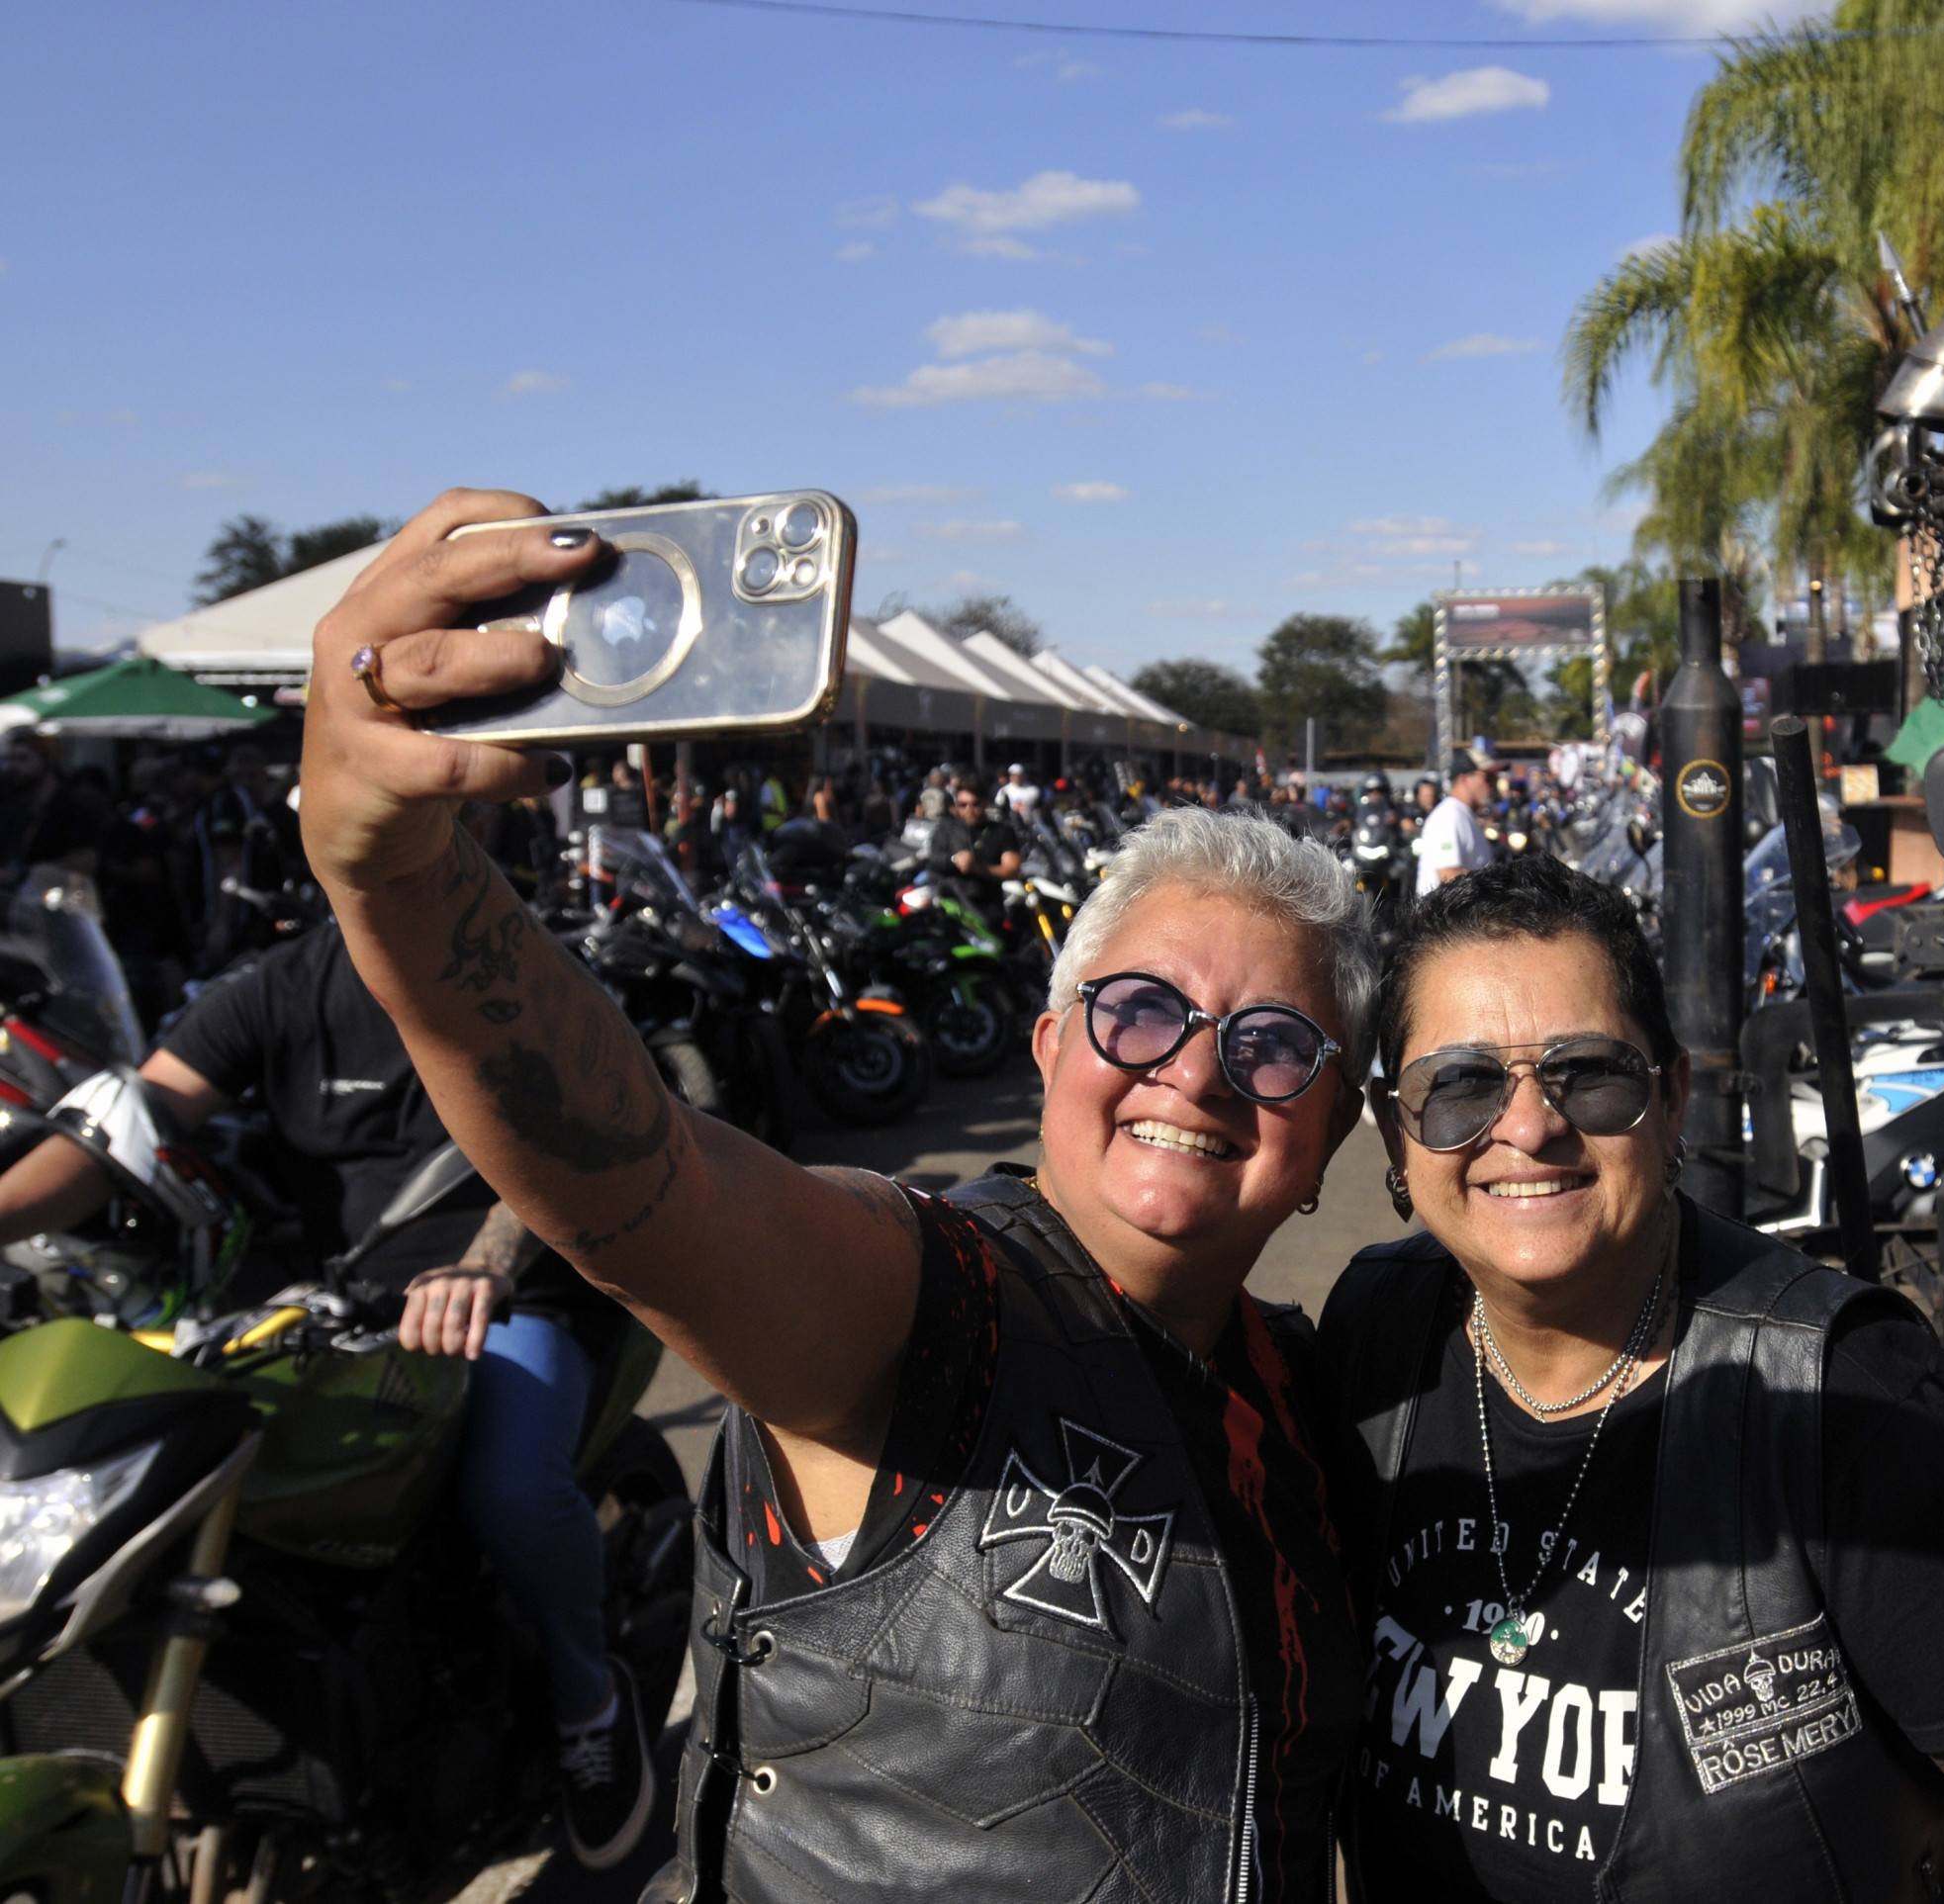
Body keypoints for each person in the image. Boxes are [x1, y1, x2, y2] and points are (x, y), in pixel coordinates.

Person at [290, 486, 1378, 1903]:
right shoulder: (925, 1301)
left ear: (1335, 1122)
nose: (1194, 1071)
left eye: (1271, 1043)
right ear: (1051, 1047)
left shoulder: (1306, 1398)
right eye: (1139, 1011)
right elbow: (646, 1174)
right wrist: (398, 877)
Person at [1328, 856, 1944, 1903]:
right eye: (1462, 1083)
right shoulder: (1375, 1333)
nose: (1527, 1126)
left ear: (1671, 1100)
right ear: (1396, 1131)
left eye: (1589, 1072)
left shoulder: (1836, 1389)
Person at [0, 890, 654, 1869]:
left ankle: (587, 1703)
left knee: (511, 1488)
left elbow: (557, 1142)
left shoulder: (522, 972)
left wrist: (484, 1262)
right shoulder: (282, 983)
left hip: (514, 1296)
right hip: (326, 1306)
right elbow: (136, 1117)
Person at [1416, 750, 1497, 897]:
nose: (1493, 783)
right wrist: (1498, 886)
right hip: (1444, 918)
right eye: (1488, 777)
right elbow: (1449, 875)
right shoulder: (1448, 816)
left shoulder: (1462, 814)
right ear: (1464, 779)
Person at [941, 776, 1024, 914]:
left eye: (975, 804)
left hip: (987, 909)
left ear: (985, 803)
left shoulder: (1002, 831)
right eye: (963, 805)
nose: (969, 809)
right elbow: (933, 859)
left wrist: (977, 868)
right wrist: (955, 860)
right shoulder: (947, 829)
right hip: (952, 907)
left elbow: (1012, 869)